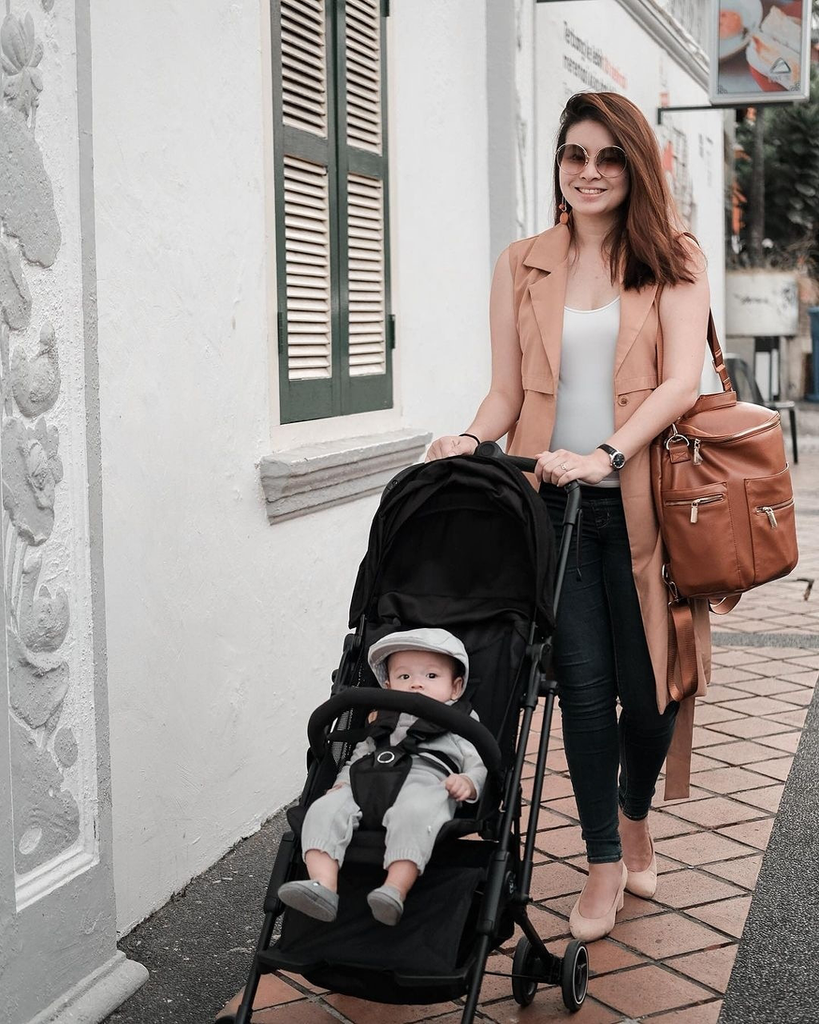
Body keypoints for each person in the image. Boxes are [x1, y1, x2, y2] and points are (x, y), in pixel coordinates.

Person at [426, 91, 712, 941]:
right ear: (557, 164)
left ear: (634, 167)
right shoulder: (522, 262)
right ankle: (598, 859)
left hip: (641, 503)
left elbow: (679, 383)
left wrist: (608, 453)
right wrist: (470, 435)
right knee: (584, 693)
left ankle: (632, 813)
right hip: (551, 510)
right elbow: (508, 389)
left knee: (652, 689)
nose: (588, 173)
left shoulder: (673, 257)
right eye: (573, 156)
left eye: (607, 157)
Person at [278, 627, 487, 927]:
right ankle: (322, 886)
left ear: (455, 688)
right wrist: (342, 784)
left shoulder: (461, 720)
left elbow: (478, 761)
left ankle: (394, 890)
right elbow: (360, 755)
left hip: (426, 781)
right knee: (324, 810)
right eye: (404, 677)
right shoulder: (382, 717)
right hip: (370, 778)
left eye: (431, 676)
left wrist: (468, 782)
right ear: (387, 685)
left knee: (416, 814)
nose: (416, 684)